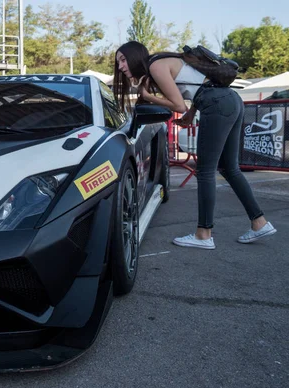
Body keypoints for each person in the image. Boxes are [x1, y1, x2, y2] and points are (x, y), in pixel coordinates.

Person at [112, 41, 276, 249]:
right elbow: (199, 84)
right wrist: (190, 115)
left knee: (206, 171)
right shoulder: (161, 61)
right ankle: (259, 222)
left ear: (135, 56)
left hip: (216, 103)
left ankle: (203, 234)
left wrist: (147, 96)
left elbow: (178, 104)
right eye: (118, 62)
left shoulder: (155, 66)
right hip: (231, 100)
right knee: (229, 168)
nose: (121, 67)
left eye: (123, 60)